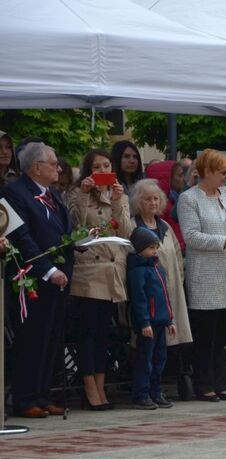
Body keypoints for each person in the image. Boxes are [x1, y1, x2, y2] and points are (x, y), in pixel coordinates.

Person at [1, 142, 73, 418]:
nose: (58, 168)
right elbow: (22, 237)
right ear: (36, 167)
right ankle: (25, 397)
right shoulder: (15, 193)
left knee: (51, 339)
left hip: (59, 277)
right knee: (31, 339)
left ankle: (43, 394)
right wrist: (47, 269)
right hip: (33, 278)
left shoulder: (52, 194)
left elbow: (62, 229)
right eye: (53, 163)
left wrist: (78, 240)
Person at [177, 149, 226, 402]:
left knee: (225, 330)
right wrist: (224, 241)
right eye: (223, 172)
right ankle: (203, 383)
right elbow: (191, 236)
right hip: (206, 274)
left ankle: (222, 382)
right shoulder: (189, 198)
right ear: (207, 171)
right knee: (206, 331)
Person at [67, 149, 135, 410]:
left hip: (111, 271)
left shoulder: (119, 195)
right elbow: (76, 226)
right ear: (88, 171)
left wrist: (118, 201)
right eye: (97, 167)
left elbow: (127, 231)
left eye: (107, 165)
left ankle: (101, 385)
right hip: (89, 271)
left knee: (104, 333)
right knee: (88, 333)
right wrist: (84, 194)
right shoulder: (77, 193)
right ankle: (89, 389)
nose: (103, 170)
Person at [130, 179, 192, 352]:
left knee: (171, 336)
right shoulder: (133, 227)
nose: (153, 202)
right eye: (147, 199)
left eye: (156, 198)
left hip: (170, 288)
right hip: (147, 292)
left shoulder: (165, 226)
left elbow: (178, 255)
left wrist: (178, 279)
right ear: (138, 202)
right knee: (149, 343)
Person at [127, 227, 177, 409]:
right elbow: (139, 299)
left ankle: (156, 391)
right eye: (150, 248)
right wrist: (144, 322)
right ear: (140, 249)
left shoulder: (157, 268)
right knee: (145, 360)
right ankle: (141, 393)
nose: (155, 251)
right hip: (148, 324)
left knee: (159, 359)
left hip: (160, 321)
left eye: (156, 247)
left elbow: (165, 296)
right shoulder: (138, 270)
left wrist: (170, 319)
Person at [145, 160, 186, 251]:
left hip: (177, 249)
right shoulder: (159, 205)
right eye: (180, 175)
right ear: (168, 178)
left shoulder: (172, 199)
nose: (183, 179)